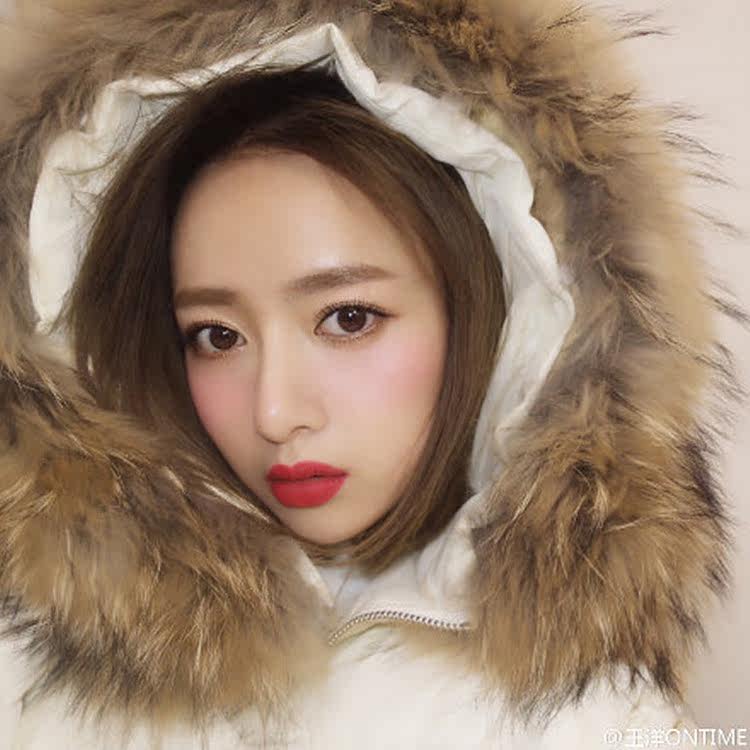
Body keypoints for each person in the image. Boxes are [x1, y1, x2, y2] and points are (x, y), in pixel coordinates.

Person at [0, 3, 744, 748]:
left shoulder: (601, 729)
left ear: (498, 318)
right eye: (217, 336)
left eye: (348, 318)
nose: (275, 413)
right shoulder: (26, 677)